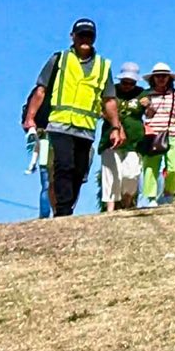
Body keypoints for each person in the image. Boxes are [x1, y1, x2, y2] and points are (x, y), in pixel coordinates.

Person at [21, 18, 115, 217]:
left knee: (79, 172)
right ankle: (63, 211)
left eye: (89, 36)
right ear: (72, 37)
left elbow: (108, 99)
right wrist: (30, 118)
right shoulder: (59, 59)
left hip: (86, 129)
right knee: (63, 165)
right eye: (81, 35)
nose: (85, 40)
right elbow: (41, 90)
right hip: (60, 123)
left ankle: (67, 206)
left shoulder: (103, 66)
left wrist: (116, 126)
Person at [100, 64, 149, 211]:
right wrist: (117, 126)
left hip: (134, 142)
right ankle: (110, 207)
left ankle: (127, 201)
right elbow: (101, 111)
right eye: (124, 82)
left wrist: (149, 106)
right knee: (111, 173)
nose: (127, 86)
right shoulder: (110, 92)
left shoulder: (141, 93)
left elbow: (150, 114)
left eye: (131, 83)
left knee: (131, 174)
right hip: (111, 139)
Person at [138, 63, 175, 206]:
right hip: (153, 134)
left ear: (169, 78)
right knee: (151, 167)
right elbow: (146, 115)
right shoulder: (147, 95)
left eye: (164, 76)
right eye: (158, 76)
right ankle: (151, 198)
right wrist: (147, 106)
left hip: (173, 133)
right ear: (153, 78)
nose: (161, 79)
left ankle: (169, 193)